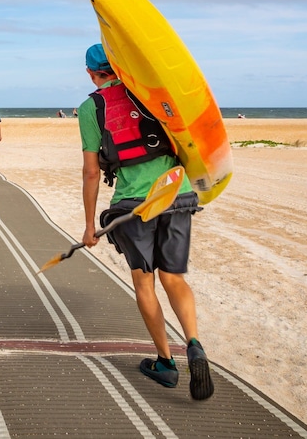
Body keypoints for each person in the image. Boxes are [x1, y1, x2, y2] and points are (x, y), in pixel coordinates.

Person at [78, 43, 214, 401]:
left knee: (144, 282)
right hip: (176, 195)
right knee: (174, 278)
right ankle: (194, 344)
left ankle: (166, 363)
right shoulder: (148, 94)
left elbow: (91, 172)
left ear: (91, 73)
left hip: (133, 205)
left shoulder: (91, 108)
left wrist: (90, 226)